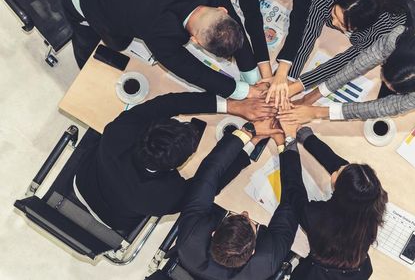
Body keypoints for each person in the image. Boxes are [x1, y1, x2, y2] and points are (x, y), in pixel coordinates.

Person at [61, 0, 265, 100]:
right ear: (194, 41)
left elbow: (233, 25)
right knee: (97, 41)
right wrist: (242, 91)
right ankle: (83, 66)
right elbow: (191, 71)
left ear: (222, 10)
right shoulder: (158, 32)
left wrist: (253, 76)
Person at [73, 92, 276, 232]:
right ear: (174, 166)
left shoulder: (119, 132)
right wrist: (253, 139)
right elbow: (210, 182)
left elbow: (167, 104)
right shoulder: (165, 196)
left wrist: (233, 106)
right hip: (113, 218)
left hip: (84, 178)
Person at [277, 25, 415, 123]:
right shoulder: (401, 36)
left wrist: (317, 113)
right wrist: (311, 96)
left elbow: (385, 107)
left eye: (392, 88)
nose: (381, 82)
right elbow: (357, 64)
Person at [173, 120, 293, 280]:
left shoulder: (191, 238)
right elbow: (292, 201)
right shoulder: (267, 262)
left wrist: (249, 135)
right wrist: (284, 146)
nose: (245, 212)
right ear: (253, 252)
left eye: (236, 216)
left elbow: (208, 174)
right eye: (252, 223)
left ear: (214, 233)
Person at [263, 0, 410, 108]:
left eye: (342, 24)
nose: (334, 23)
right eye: (334, 14)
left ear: (360, 27)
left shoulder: (380, 31)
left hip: (396, 29)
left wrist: (297, 86)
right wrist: (289, 77)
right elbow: (308, 35)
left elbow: (344, 61)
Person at [276, 124, 387, 280]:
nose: (336, 169)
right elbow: (348, 175)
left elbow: (293, 189)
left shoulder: (317, 216)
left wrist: (289, 142)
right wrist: (307, 137)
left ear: (339, 191)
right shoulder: (372, 200)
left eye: (337, 173)